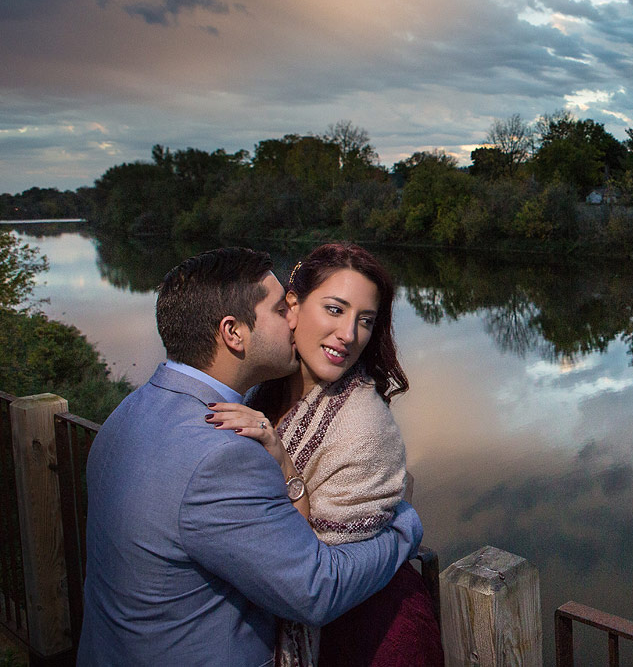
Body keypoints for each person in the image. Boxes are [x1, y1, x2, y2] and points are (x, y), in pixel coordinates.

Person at [78, 247, 422, 666]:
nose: (293, 318)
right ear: (233, 332)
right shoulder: (221, 456)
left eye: (365, 320)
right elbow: (316, 589)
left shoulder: (127, 413)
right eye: (281, 310)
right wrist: (404, 528)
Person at [208, 243, 443, 667]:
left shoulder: (363, 425)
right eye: (335, 309)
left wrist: (284, 465)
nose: (349, 334)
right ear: (292, 307)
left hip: (368, 638)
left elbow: (311, 576)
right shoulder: (267, 387)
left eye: (365, 320)